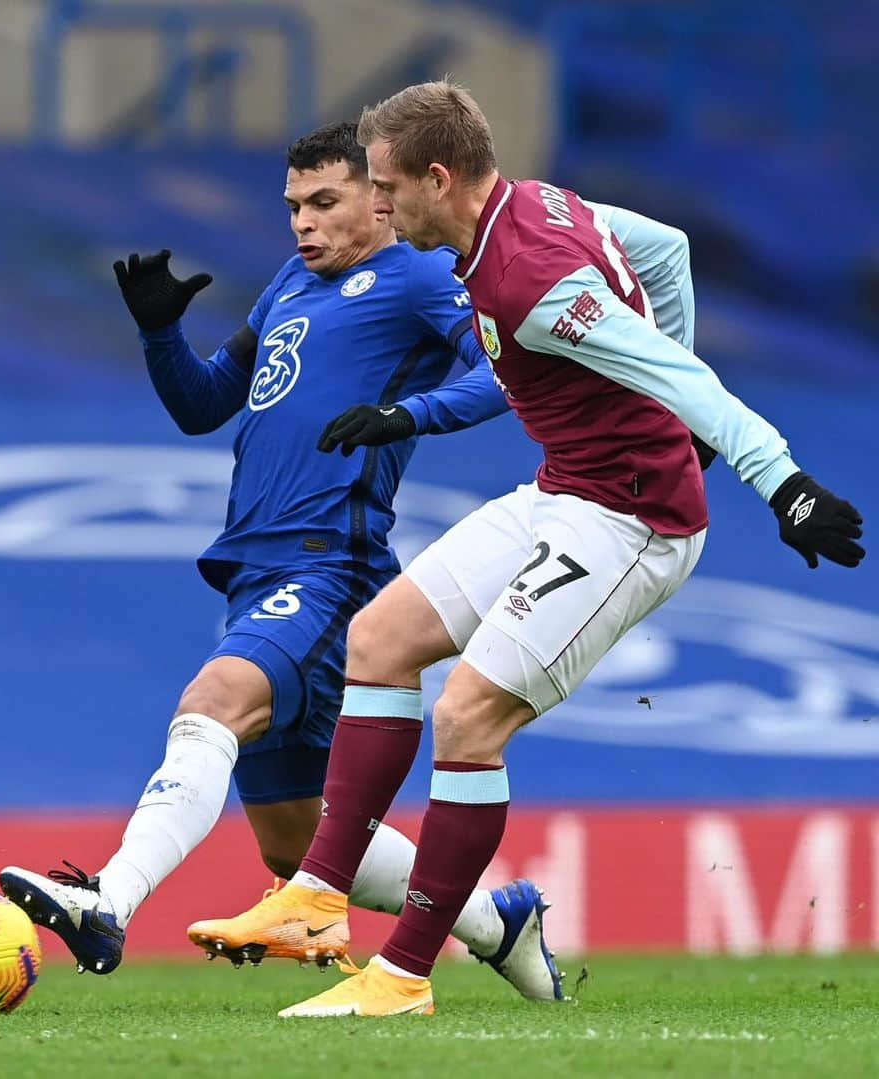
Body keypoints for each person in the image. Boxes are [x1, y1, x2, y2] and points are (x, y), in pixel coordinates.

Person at [189, 81, 866, 1019]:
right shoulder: (534, 202)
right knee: (378, 640)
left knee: (467, 719)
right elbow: (665, 252)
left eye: (384, 187)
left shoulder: (531, 277)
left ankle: (404, 976)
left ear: (437, 177)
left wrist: (781, 481)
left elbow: (679, 373)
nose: (375, 207)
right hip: (559, 491)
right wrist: (667, 403)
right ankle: (316, 896)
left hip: (630, 521)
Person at [0, 120, 571, 1002]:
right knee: (292, 840)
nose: (304, 224)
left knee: (211, 703)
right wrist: (160, 334)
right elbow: (204, 405)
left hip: (328, 564)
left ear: (379, 201)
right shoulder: (288, 286)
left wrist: (409, 414)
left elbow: (502, 370)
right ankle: (502, 925)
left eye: (325, 203)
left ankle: (108, 899)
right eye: (293, 207)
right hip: (258, 572)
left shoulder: (418, 274)